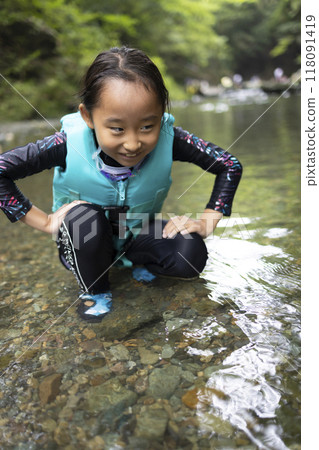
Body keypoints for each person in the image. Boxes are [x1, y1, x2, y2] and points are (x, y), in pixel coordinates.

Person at [0, 47, 242, 322]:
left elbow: (229, 164)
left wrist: (207, 221)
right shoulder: (65, 144)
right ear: (88, 117)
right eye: (117, 129)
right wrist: (43, 221)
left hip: (136, 232)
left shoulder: (171, 138)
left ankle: (139, 262)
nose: (132, 143)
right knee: (83, 220)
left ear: (161, 115)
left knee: (190, 251)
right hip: (84, 243)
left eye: (147, 127)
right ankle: (96, 290)